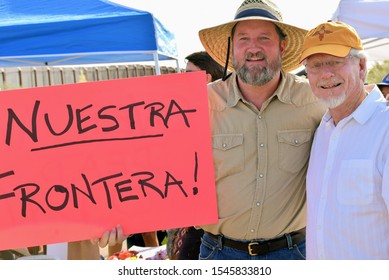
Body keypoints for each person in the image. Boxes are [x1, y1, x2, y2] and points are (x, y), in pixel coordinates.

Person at [196, 0, 326, 260]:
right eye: (244, 39)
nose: (253, 48)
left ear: (282, 46)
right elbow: (156, 162)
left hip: (293, 254)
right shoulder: (198, 104)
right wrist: (117, 218)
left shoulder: (315, 99)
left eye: (264, 38)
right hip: (219, 254)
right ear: (233, 48)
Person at [300, 21, 389, 259]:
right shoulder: (323, 130)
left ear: (361, 66)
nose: (326, 74)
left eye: (335, 62)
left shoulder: (385, 129)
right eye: (316, 65)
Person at [167, 51, 224, 260]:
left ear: (207, 77)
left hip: (209, 216)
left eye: (188, 72)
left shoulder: (219, 112)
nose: (183, 77)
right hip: (187, 206)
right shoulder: (184, 108)